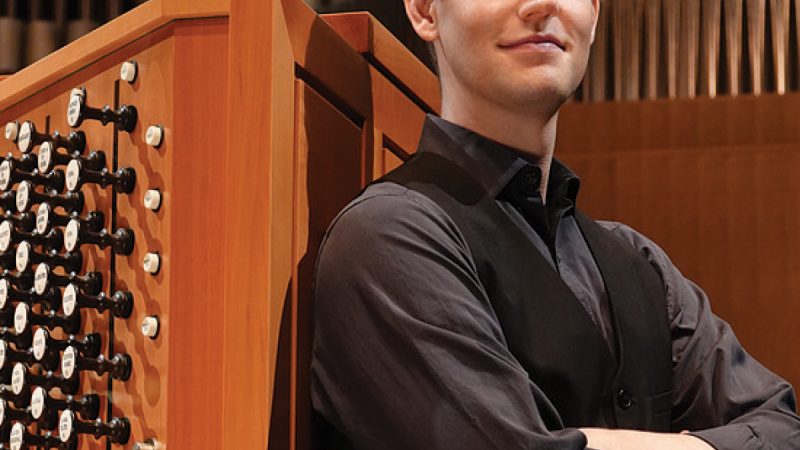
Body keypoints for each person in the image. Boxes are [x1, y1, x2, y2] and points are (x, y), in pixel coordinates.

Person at [310, 0, 800, 449]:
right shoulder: (388, 235)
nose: (541, 3)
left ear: (595, 13)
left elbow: (784, 426)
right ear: (424, 10)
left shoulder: (639, 262)